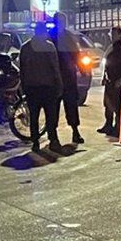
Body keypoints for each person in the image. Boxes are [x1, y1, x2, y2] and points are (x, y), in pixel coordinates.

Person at [19, 22, 63, 153]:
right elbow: (55, 68)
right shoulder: (49, 47)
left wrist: (24, 86)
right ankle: (53, 140)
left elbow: (22, 69)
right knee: (51, 115)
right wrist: (59, 85)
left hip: (32, 88)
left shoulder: (25, 47)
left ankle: (35, 142)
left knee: (34, 116)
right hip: (48, 87)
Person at [50, 12, 84, 144]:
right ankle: (54, 136)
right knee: (54, 107)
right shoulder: (50, 36)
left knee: (71, 105)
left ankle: (75, 131)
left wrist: (81, 68)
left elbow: (76, 54)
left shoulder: (67, 36)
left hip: (67, 76)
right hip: (56, 77)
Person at [97, 27, 121, 137]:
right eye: (111, 33)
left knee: (116, 103)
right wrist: (104, 76)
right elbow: (107, 63)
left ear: (120, 35)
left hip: (116, 79)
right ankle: (108, 124)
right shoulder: (112, 46)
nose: (112, 35)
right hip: (109, 79)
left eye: (114, 33)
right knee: (108, 103)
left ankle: (117, 127)